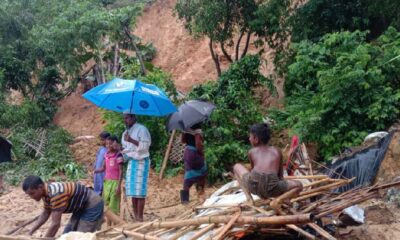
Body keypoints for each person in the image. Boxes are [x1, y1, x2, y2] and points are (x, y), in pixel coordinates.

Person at [233, 123, 303, 213]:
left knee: (236, 167)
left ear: (256, 139)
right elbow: (280, 177)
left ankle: (249, 199)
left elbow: (255, 172)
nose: (249, 139)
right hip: (272, 187)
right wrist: (283, 195)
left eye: (250, 137)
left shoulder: (251, 152)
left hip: (253, 185)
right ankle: (278, 200)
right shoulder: (277, 151)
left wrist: (262, 191)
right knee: (299, 185)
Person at [22, 175, 104, 237]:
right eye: (29, 195)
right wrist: (30, 232)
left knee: (81, 236)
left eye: (32, 193)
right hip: (80, 206)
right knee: (67, 234)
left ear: (40, 187)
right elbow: (45, 213)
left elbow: (55, 224)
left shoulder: (56, 194)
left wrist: (45, 239)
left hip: (91, 205)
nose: (31, 197)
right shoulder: (46, 192)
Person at [121, 113, 151, 222]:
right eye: (124, 118)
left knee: (140, 192)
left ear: (134, 117)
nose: (125, 120)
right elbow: (126, 148)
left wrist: (131, 140)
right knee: (133, 191)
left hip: (141, 161)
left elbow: (145, 147)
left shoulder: (142, 129)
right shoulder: (125, 132)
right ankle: (136, 216)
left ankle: (140, 218)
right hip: (131, 162)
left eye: (127, 118)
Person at [94, 135, 123, 215]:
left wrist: (119, 185)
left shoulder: (118, 155)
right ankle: (109, 224)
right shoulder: (106, 155)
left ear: (115, 143)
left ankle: (114, 224)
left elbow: (121, 171)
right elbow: (103, 168)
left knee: (113, 204)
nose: (108, 146)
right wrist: (95, 171)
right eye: (107, 144)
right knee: (106, 203)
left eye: (110, 144)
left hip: (115, 183)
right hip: (107, 182)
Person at [180, 123, 207, 204]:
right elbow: (198, 144)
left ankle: (185, 199)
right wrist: (201, 152)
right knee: (203, 171)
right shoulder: (197, 127)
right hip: (195, 152)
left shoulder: (185, 127)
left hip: (187, 152)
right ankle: (200, 191)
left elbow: (183, 141)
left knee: (189, 172)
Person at [93, 131, 110, 195]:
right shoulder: (101, 149)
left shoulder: (109, 150)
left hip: (104, 171)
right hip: (98, 171)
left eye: (103, 140)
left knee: (103, 185)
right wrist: (94, 165)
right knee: (97, 183)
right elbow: (97, 158)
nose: (101, 142)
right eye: (101, 140)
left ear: (107, 139)